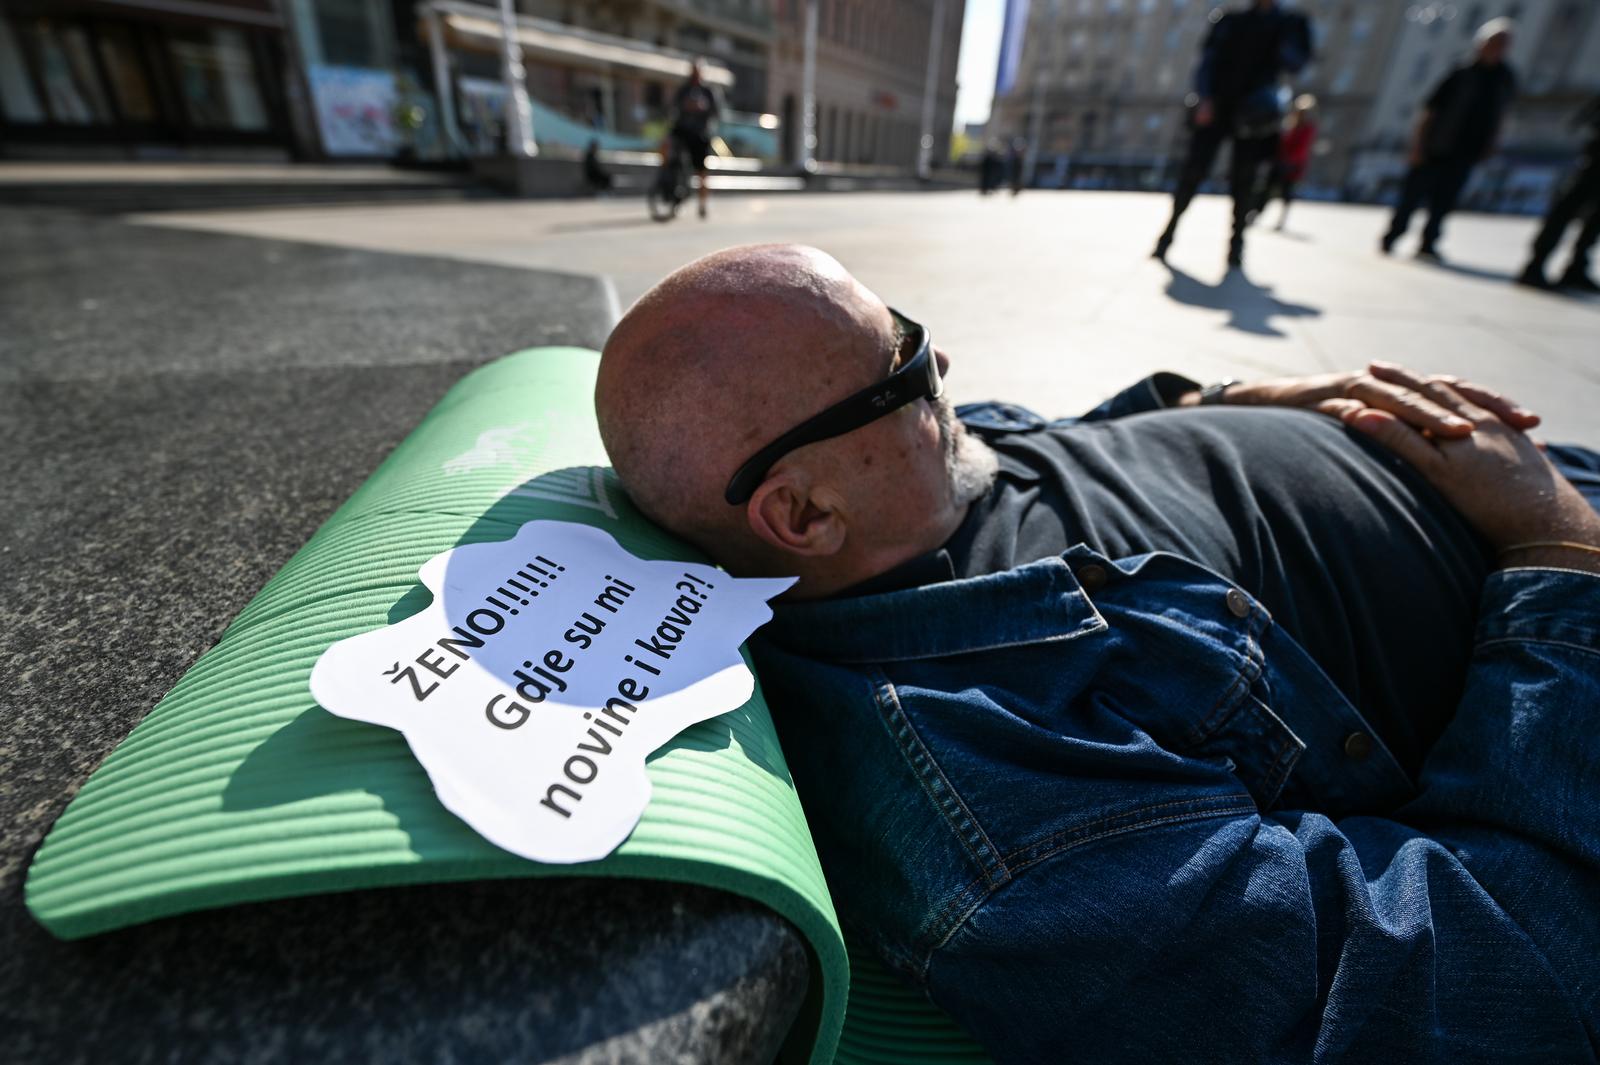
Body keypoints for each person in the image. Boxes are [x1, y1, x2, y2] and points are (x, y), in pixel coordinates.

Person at [595, 243, 1600, 1062]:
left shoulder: (899, 485)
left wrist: (1236, 398)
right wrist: (1557, 547)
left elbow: (1061, 437)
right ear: (803, 514)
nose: (940, 369)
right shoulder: (1004, 803)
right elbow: (1490, 971)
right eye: (901, 366)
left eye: (908, 328)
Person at [1153, 0, 1313, 269]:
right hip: (1217, 105)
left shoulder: (1290, 24)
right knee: (1192, 172)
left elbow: (1296, 64)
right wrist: (1204, 98)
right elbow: (1208, 61)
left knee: (1244, 181)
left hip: (1255, 112)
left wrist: (1282, 41)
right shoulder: (1229, 21)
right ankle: (1167, 236)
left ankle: (1236, 245)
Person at [1381, 18, 1517, 262]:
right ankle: (1392, 236)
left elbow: (1502, 114)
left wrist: (1492, 143)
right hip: (1436, 145)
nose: (1498, 48)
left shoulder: (1505, 78)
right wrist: (1417, 145)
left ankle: (1429, 242)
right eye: (1494, 42)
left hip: (1467, 151)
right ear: (1481, 44)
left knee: (1445, 199)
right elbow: (1430, 110)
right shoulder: (1461, 72)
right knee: (1412, 196)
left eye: (1504, 44)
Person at [1516, 94, 1600, 293]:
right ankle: (1536, 264)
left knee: (1596, 219)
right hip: (1597, 159)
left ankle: (1577, 267)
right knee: (1567, 208)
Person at [1253, 93, 1317, 229]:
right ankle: (1256, 213)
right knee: (1266, 190)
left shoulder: (1307, 128)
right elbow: (1282, 143)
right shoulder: (1290, 123)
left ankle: (1281, 221)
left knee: (1286, 194)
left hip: (1292, 166)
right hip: (1280, 162)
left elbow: (1302, 148)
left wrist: (1290, 160)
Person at [668, 60, 721, 220]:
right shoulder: (684, 90)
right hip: (682, 131)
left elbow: (717, 112)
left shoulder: (708, 91)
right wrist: (685, 107)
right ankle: (669, 188)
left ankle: (702, 204)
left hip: (700, 134)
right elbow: (673, 107)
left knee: (701, 172)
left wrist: (702, 108)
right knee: (671, 156)